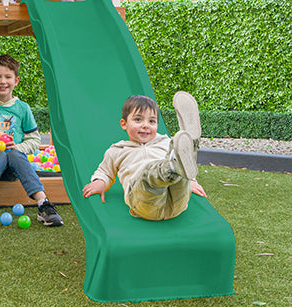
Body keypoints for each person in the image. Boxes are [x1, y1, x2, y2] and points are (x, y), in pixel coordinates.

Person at [0, 54, 64, 228]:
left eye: (8, 77)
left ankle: (43, 204)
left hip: (15, 167)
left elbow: (34, 138)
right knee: (0, 155)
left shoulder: (23, 108)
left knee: (15, 154)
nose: (3, 81)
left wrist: (19, 147)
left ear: (16, 81)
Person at [82, 92, 206, 221]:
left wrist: (191, 181)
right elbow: (105, 172)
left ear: (157, 125)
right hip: (144, 204)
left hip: (177, 204)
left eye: (152, 121)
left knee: (177, 154)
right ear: (124, 124)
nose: (145, 125)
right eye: (138, 119)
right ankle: (172, 166)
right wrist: (100, 182)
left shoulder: (165, 142)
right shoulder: (117, 150)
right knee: (148, 174)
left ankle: (190, 141)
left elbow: (184, 161)